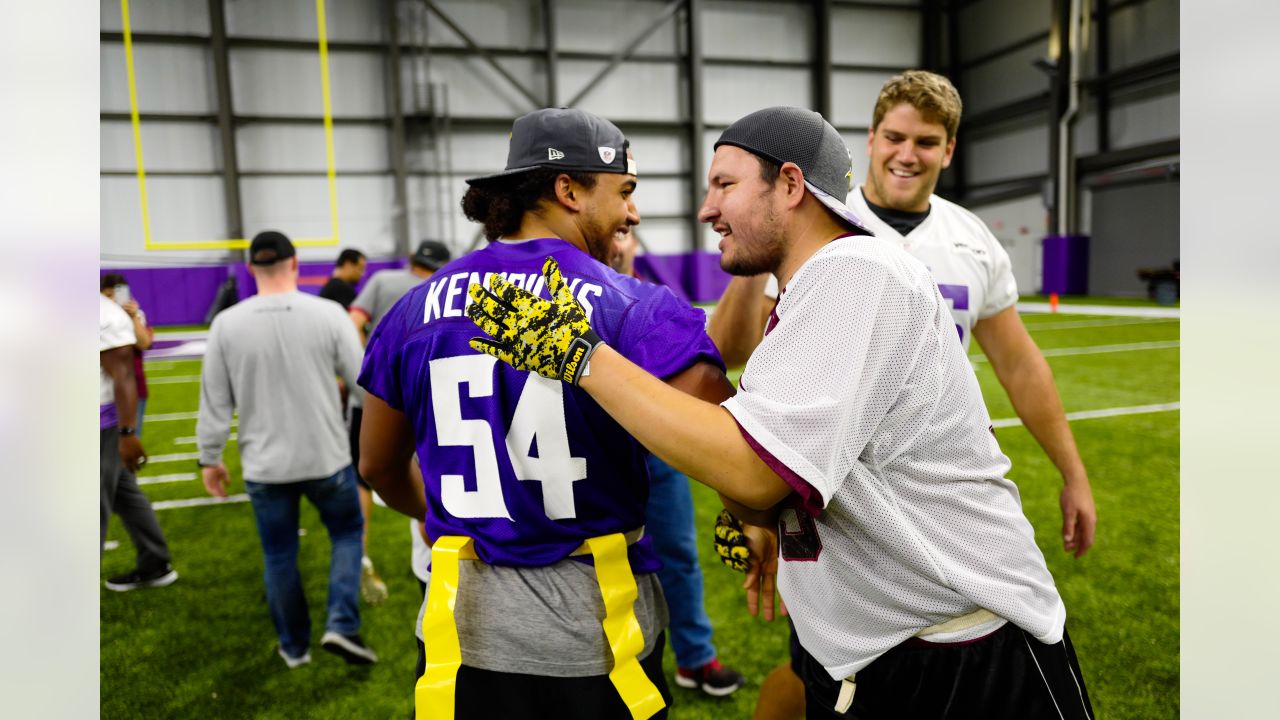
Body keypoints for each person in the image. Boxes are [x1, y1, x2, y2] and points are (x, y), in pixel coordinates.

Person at [467, 106, 1094, 719]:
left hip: (960, 644)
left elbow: (754, 469)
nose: (707, 209)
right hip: (878, 645)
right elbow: (778, 458)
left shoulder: (856, 272)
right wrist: (769, 518)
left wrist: (583, 358)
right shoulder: (815, 286)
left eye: (725, 185)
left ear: (791, 184)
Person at [709, 73, 1099, 719]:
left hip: (917, 494)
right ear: (870, 139)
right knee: (822, 666)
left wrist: (1073, 473)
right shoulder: (817, 225)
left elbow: (1020, 364)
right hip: (829, 498)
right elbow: (731, 351)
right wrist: (760, 251)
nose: (906, 153)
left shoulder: (971, 239)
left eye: (927, 140)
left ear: (949, 150)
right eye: (893, 136)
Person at [357, 107, 733, 719]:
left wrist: (465, 513)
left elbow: (377, 464)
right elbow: (732, 445)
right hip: (596, 637)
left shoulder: (411, 309)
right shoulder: (632, 303)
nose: (630, 212)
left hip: (462, 636)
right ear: (569, 190)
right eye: (624, 191)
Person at [196, 230, 377, 669]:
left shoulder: (227, 324)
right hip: (326, 455)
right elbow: (362, 385)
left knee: (279, 554)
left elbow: (214, 401)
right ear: (295, 264)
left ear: (251, 269)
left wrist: (209, 457)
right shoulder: (330, 314)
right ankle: (341, 623)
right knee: (347, 533)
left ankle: (294, 647)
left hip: (264, 463)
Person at [609, 226, 747, 697]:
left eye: (630, 230)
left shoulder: (650, 300)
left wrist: (746, 502)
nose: (622, 236)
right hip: (595, 456)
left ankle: (695, 657)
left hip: (657, 454)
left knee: (679, 556)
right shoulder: (574, 296)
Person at [346, 239, 453, 605]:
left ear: (412, 260)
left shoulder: (384, 281)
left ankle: (362, 546)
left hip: (380, 391)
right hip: (436, 391)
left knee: (368, 471)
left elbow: (354, 321)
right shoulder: (449, 290)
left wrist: (372, 364)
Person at [100, 288, 176, 590]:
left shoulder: (103, 313)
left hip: (98, 426)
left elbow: (124, 374)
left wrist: (128, 433)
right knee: (125, 495)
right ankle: (155, 562)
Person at [101, 274, 155, 435]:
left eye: (117, 295)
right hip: (103, 395)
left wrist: (132, 317)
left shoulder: (136, 316)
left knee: (130, 439)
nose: (113, 300)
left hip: (132, 390)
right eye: (107, 296)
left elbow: (144, 343)